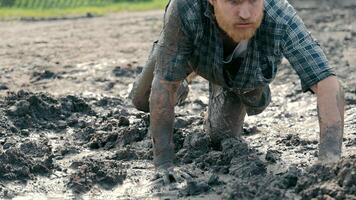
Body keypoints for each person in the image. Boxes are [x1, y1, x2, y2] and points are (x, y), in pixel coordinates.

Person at [129, 0, 345, 179]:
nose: (245, 13)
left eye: (253, 0)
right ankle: (180, 74)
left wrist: (329, 159)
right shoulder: (186, 6)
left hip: (240, 78)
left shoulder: (280, 15)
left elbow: (326, 82)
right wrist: (164, 162)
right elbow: (164, 85)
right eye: (234, 1)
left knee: (221, 137)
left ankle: (251, 90)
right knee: (143, 97)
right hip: (190, 55)